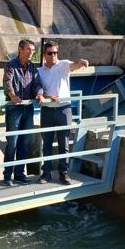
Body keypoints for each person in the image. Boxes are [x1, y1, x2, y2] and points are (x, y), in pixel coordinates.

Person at [37, 40, 89, 185]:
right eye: (50, 53)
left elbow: (75, 65)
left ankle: (63, 174)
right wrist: (45, 97)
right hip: (47, 110)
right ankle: (46, 173)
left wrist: (81, 61)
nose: (53, 55)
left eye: (55, 52)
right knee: (46, 143)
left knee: (63, 143)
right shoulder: (39, 71)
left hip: (64, 109)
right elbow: (38, 90)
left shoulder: (64, 65)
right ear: (44, 54)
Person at [2, 39, 43, 186]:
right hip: (15, 109)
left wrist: (39, 93)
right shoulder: (11, 65)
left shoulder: (33, 68)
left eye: (32, 50)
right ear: (20, 50)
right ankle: (7, 176)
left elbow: (37, 84)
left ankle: (20, 174)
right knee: (12, 143)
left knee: (24, 143)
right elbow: (7, 83)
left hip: (28, 109)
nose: (31, 52)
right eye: (28, 49)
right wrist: (12, 95)